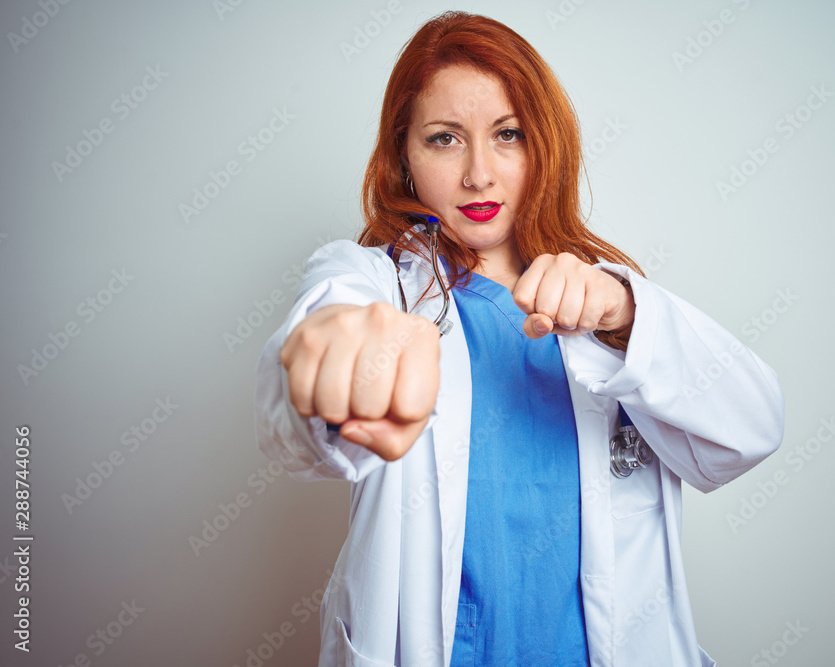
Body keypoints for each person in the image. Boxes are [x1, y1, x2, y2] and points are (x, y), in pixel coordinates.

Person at [254, 11, 784, 667]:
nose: (479, 174)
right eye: (445, 139)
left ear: (544, 146)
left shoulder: (607, 307)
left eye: (508, 134)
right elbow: (305, 379)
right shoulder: (369, 283)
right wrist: (334, 350)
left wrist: (623, 311)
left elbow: (753, 427)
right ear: (404, 158)